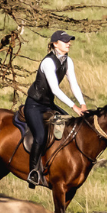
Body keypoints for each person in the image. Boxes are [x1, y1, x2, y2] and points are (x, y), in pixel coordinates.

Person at [24, 30, 85, 188]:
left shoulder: (67, 61)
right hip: (34, 105)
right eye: (65, 41)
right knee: (40, 136)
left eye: (69, 41)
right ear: (55, 44)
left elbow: (74, 84)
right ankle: (33, 172)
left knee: (70, 126)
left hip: (48, 104)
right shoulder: (48, 62)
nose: (69, 43)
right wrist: (74, 107)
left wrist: (82, 103)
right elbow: (56, 90)